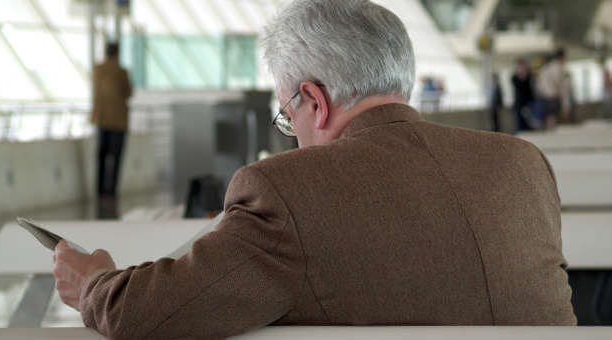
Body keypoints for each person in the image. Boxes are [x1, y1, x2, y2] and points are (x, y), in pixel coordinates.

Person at [53, 1, 576, 338]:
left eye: (288, 115)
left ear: (314, 102)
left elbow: (150, 314)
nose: (293, 133)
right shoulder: (521, 164)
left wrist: (95, 281)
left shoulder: (288, 189)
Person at [91, 42, 133, 202]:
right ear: (117, 54)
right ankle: (111, 191)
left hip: (101, 119)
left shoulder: (97, 69)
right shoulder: (121, 72)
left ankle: (99, 190)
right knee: (116, 157)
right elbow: (128, 92)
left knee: (101, 156)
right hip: (119, 121)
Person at [536, 48, 567, 129]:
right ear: (562, 57)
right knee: (552, 117)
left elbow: (539, 85)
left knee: (549, 117)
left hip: (545, 96)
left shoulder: (545, 67)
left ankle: (550, 130)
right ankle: (551, 130)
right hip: (553, 95)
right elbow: (559, 83)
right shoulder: (557, 67)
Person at [511, 58, 535, 132]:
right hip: (519, 104)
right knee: (520, 125)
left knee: (529, 124)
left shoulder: (530, 76)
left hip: (529, 104)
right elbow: (519, 87)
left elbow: (530, 90)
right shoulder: (514, 78)